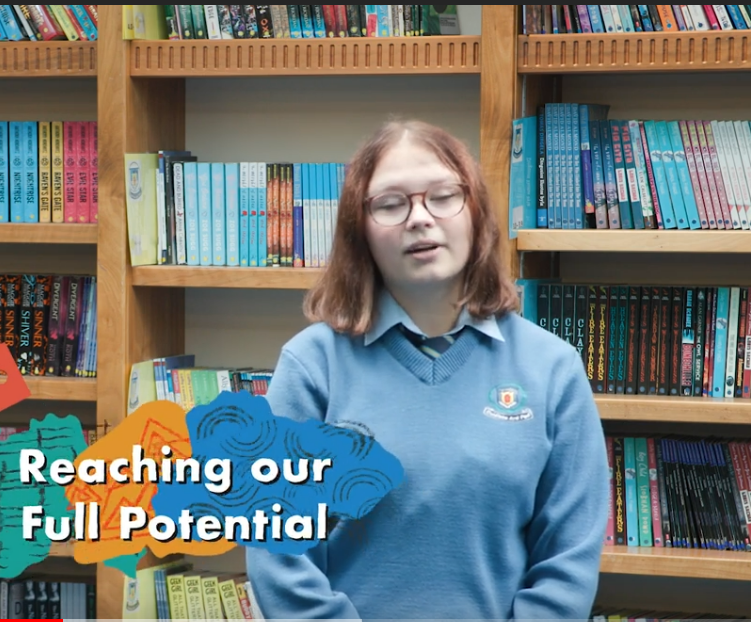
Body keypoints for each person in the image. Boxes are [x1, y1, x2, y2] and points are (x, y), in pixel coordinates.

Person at [245, 120, 609, 620]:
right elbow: (276, 550)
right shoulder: (312, 368)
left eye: (442, 196)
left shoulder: (553, 369)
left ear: (475, 211)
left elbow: (569, 556)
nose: (420, 218)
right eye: (391, 204)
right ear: (360, 231)